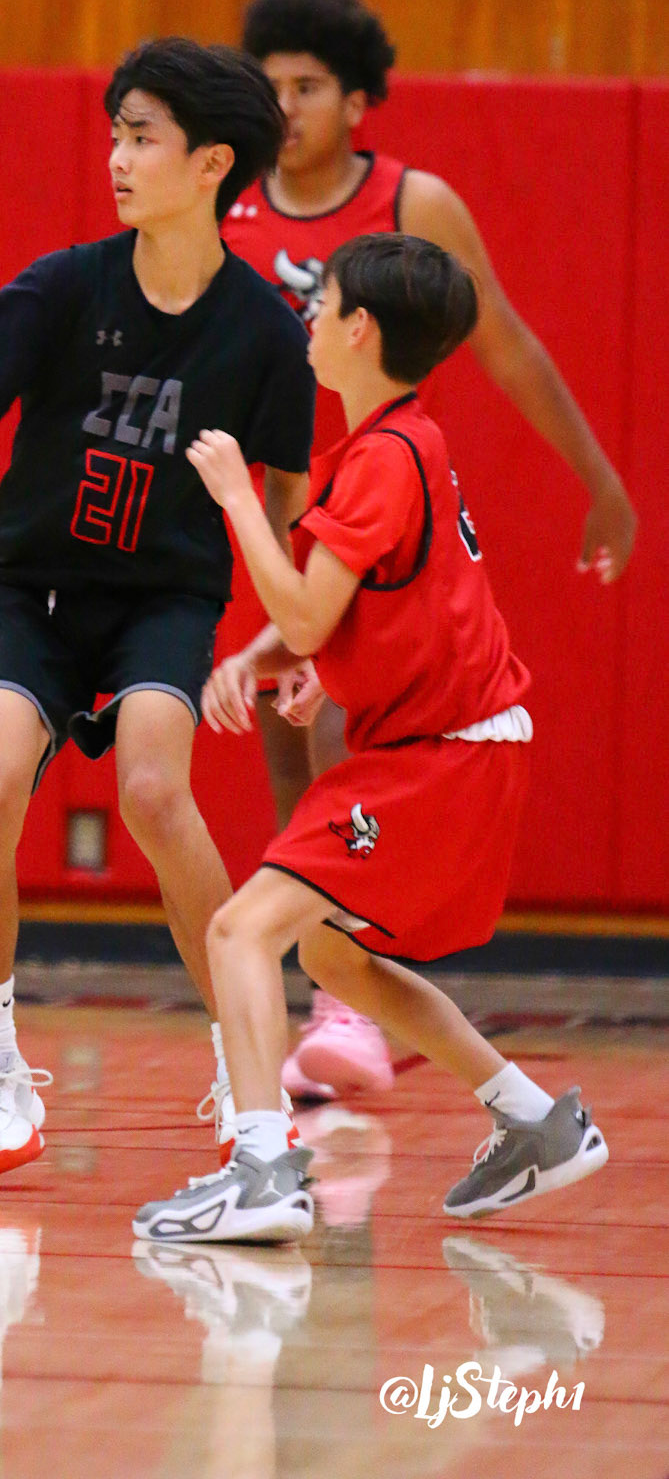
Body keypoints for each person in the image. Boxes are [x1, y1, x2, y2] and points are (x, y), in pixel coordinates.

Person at [134, 234, 608, 1245]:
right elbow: (370, 603)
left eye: (323, 303)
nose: (308, 317)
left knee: (239, 930)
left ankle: (262, 1168)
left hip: (443, 753)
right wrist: (271, 657)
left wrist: (235, 499)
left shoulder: (383, 460)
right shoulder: (401, 441)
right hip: (462, 745)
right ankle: (532, 1117)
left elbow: (311, 612)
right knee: (331, 954)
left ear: (359, 329)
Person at [0, 40, 316, 1180]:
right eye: (115, 135)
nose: (117, 159)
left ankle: (245, 1070)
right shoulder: (60, 287)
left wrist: (295, 627)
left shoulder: (266, 333)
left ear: (212, 164)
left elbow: (290, 502)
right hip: (32, 589)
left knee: (153, 789)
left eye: (142, 137)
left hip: (164, 597)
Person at [221, 0, 636, 1104]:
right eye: (271, 85)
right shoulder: (231, 201)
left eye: (308, 85)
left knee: (349, 720)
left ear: (357, 100)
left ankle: (344, 1002)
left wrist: (599, 479)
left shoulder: (414, 200)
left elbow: (506, 343)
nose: (285, 105)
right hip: (282, 494)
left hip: (374, 497)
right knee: (289, 731)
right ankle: (333, 987)